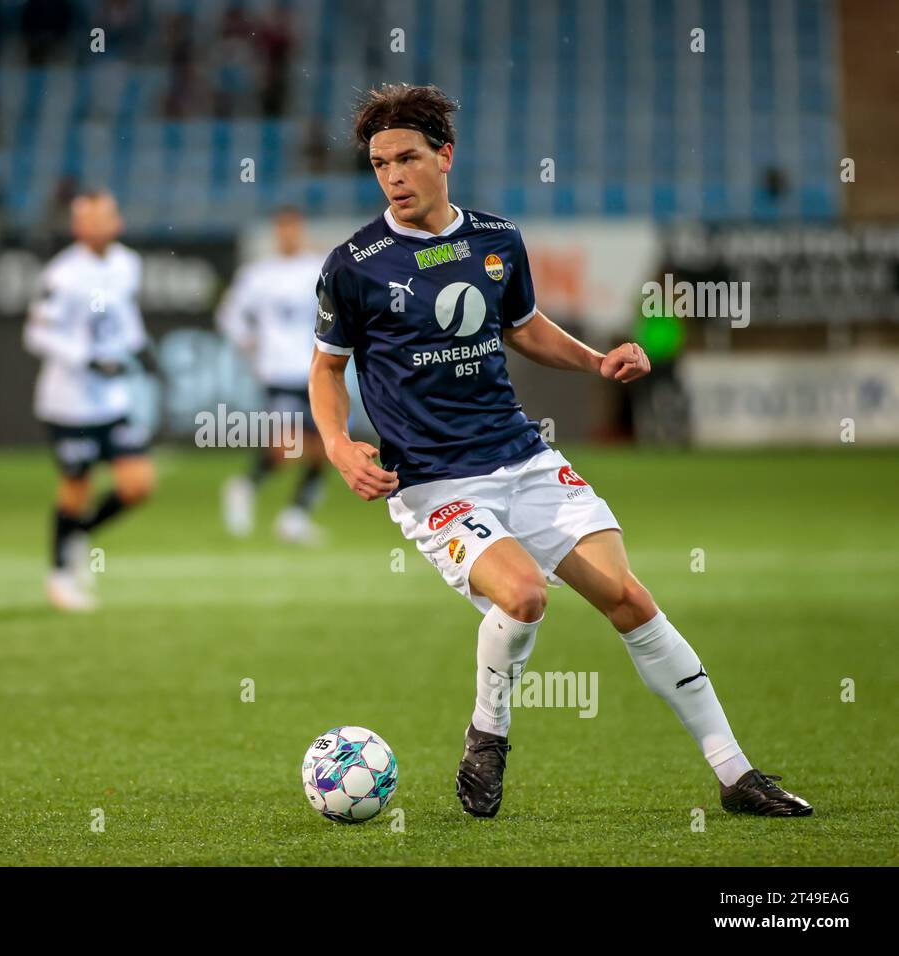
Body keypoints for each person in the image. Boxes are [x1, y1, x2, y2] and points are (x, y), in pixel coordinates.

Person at [307, 84, 812, 818]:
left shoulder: (495, 239)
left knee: (630, 600)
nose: (392, 176)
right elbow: (326, 367)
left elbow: (523, 326)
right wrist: (336, 443)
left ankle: (735, 775)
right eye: (379, 163)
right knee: (525, 594)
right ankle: (490, 733)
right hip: (437, 483)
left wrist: (597, 361)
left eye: (407, 158)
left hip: (524, 459)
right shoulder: (354, 264)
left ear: (444, 156)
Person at [24, 190, 156, 612]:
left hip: (112, 400)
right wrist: (87, 360)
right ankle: (59, 575)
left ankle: (79, 535)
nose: (99, 224)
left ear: (116, 222)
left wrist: (139, 349)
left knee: (137, 486)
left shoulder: (127, 264)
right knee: (75, 488)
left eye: (106, 216)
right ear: (77, 226)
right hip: (69, 402)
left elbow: (123, 315)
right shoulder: (62, 275)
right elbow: (37, 333)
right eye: (90, 218)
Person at [217, 206, 328, 544]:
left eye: (294, 228)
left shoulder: (319, 269)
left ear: (302, 230)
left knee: (325, 448)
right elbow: (229, 315)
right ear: (276, 233)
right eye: (283, 229)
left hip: (315, 370)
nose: (289, 234)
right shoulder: (259, 275)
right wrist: (248, 343)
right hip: (278, 371)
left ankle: (295, 516)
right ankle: (245, 486)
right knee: (287, 446)